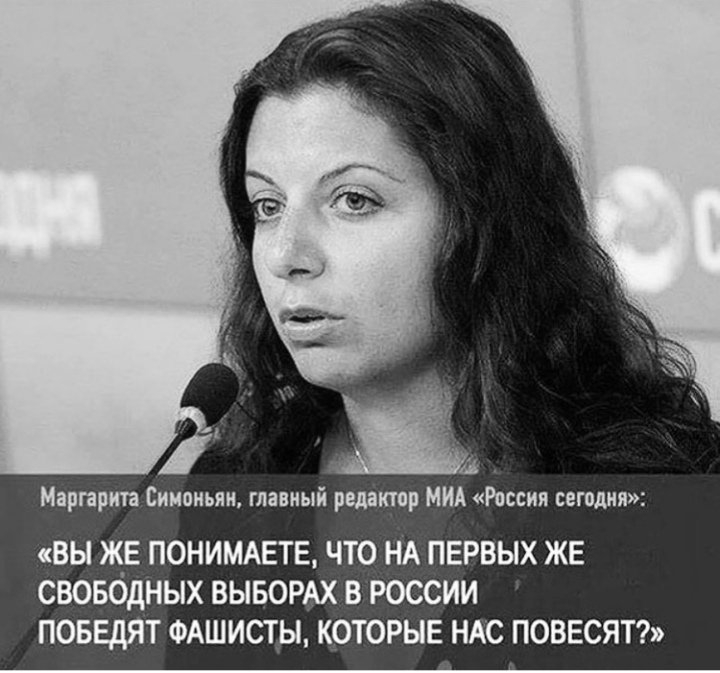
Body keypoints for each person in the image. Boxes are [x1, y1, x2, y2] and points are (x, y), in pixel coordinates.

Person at [192, 0, 719, 477]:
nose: (287, 256)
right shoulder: (237, 484)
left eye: (354, 200)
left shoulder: (663, 485)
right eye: (267, 206)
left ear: (483, 220)